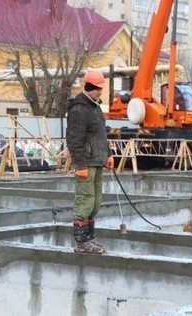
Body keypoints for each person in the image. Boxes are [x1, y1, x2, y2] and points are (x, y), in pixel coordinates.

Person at [66, 68, 114, 254]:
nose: (100, 92)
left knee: (95, 202)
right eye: (97, 88)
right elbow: (74, 140)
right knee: (85, 200)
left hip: (97, 160)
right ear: (89, 86)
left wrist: (107, 154)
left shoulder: (95, 107)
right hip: (86, 162)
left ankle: (90, 238)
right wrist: (80, 165)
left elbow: (101, 134)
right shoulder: (79, 109)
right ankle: (82, 242)